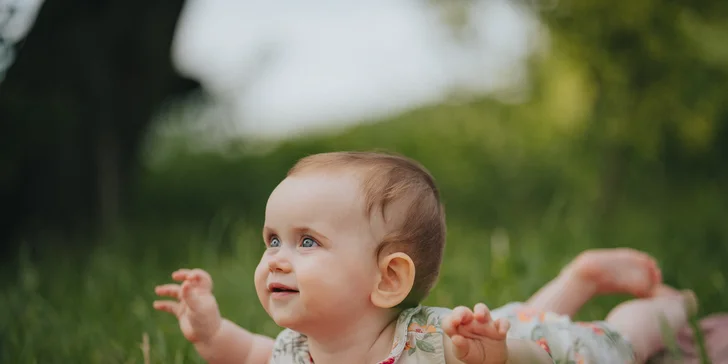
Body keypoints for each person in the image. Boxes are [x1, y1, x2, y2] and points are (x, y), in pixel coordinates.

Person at [153, 151, 697, 364]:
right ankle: (578, 277)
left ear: (388, 279)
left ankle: (671, 306)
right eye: (272, 240)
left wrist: (496, 357)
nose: (276, 258)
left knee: (615, 343)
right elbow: (247, 354)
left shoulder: (436, 346)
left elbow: (529, 350)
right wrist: (209, 329)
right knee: (515, 313)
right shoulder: (296, 352)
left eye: (307, 241)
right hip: (492, 328)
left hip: (544, 353)